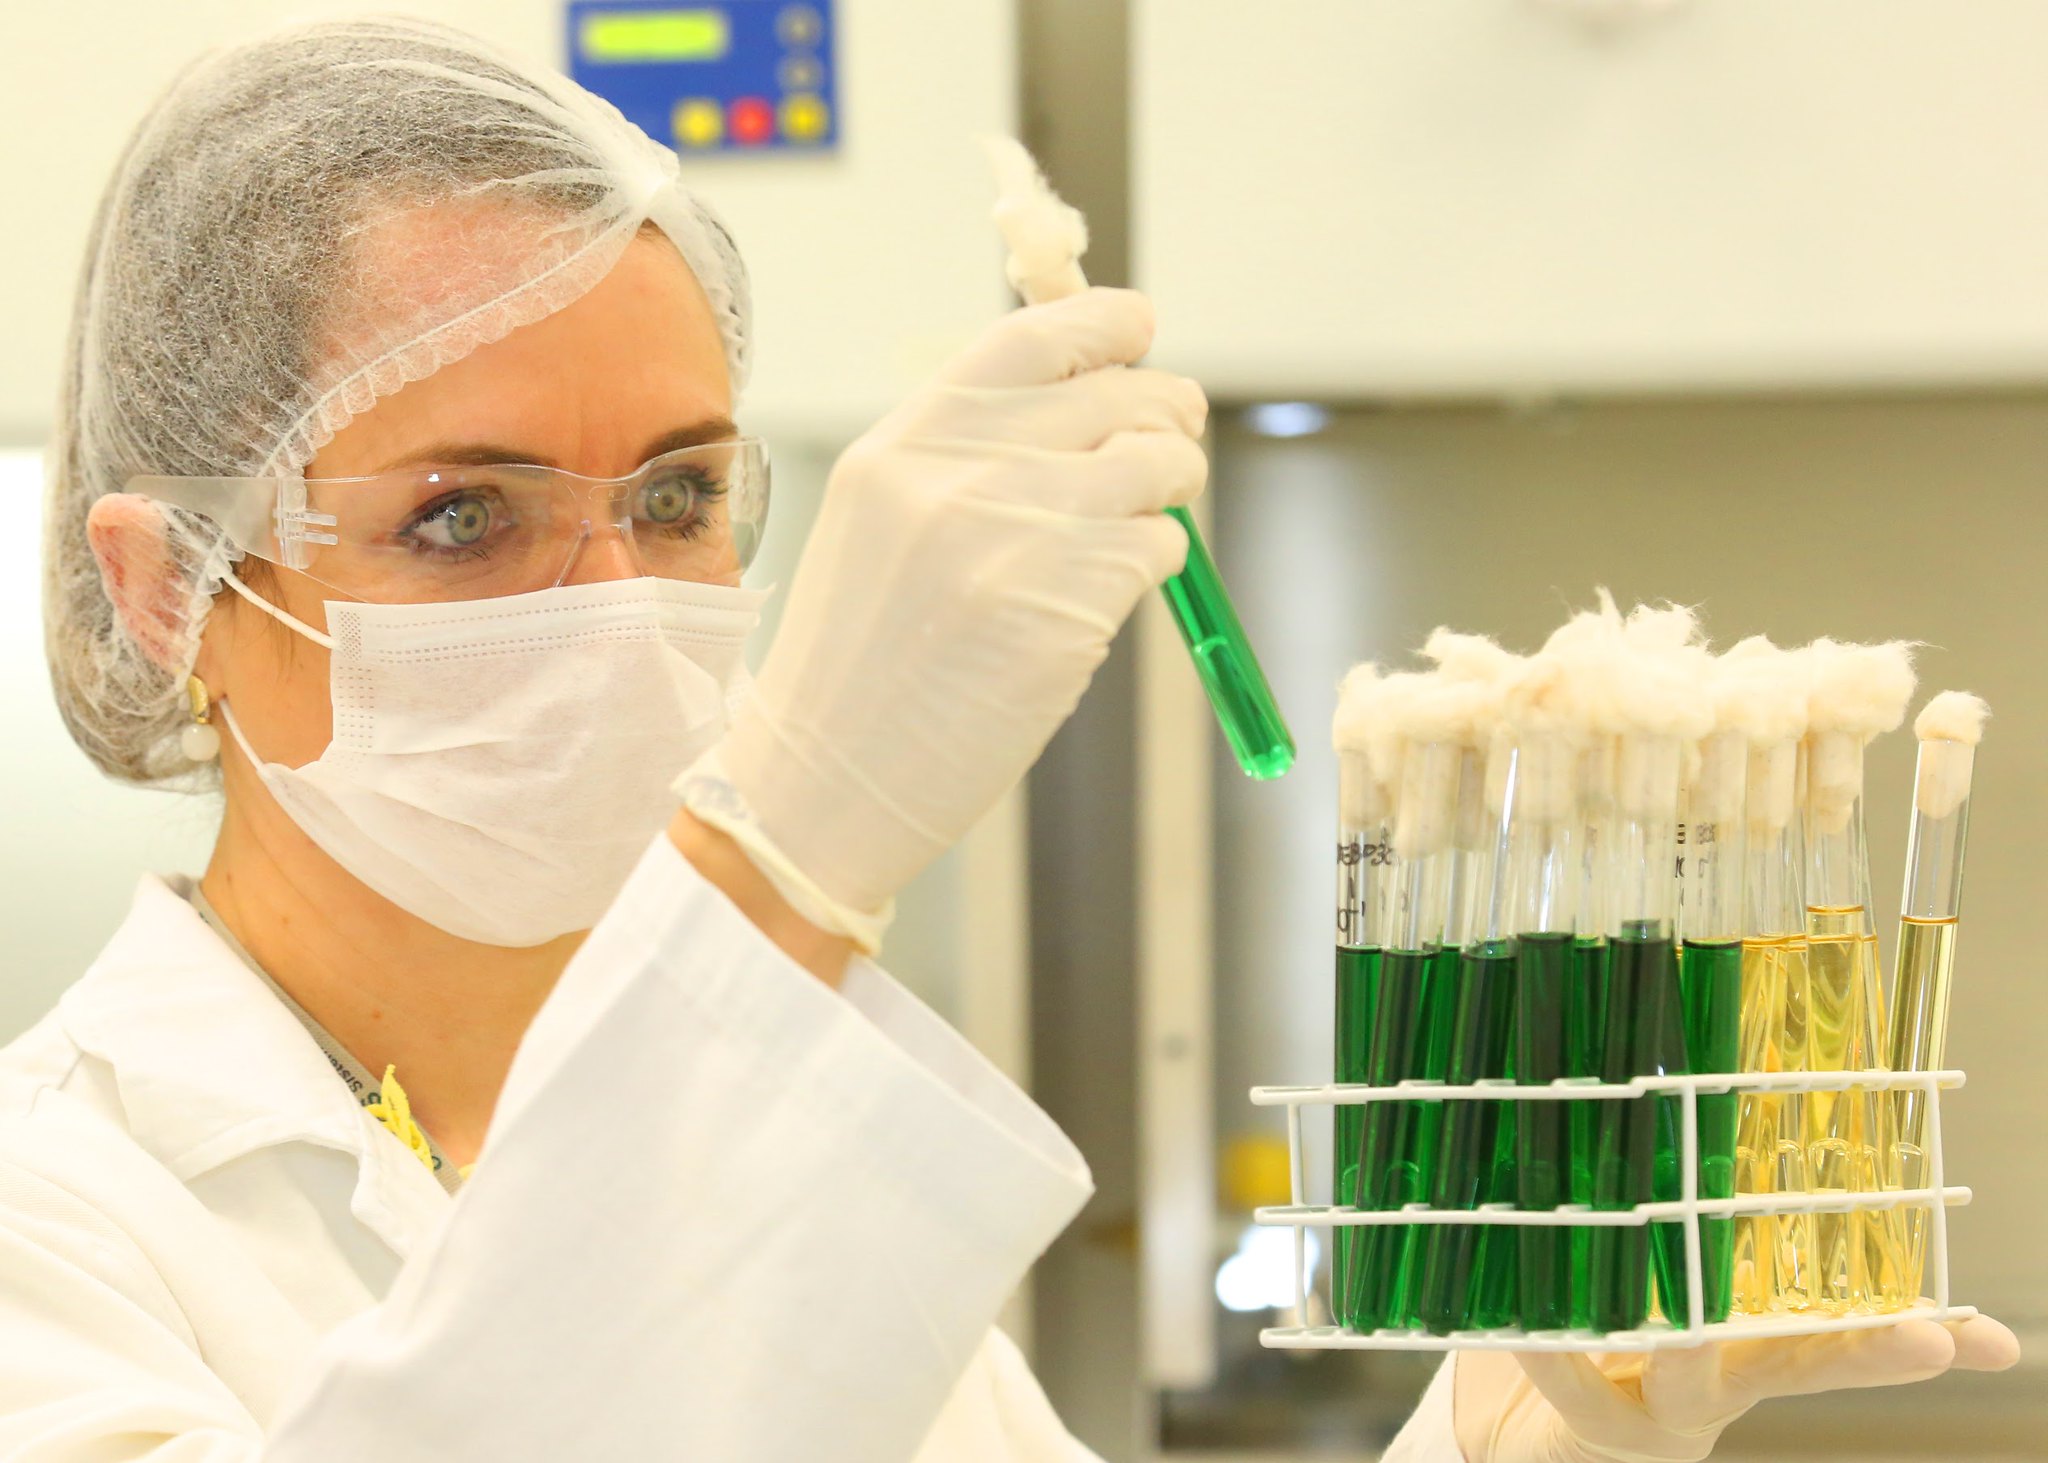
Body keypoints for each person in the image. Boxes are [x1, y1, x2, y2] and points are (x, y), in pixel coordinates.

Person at [5, 16, 2014, 1461]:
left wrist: (1515, 1437)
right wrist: (783, 855)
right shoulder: (54, 1228)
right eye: (465, 515)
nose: (613, 599)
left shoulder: (799, 1159)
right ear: (170, 590)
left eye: (682, 496)